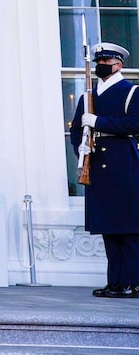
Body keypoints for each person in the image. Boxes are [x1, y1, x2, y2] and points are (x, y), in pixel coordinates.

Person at [70, 42, 139, 299]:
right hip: (98, 165)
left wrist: (99, 121)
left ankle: (131, 282)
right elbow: (77, 128)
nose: (100, 66)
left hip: (124, 165)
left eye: (105, 62)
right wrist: (82, 148)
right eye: (98, 62)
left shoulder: (131, 92)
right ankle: (115, 282)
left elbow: (134, 122)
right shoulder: (88, 95)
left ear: (118, 64)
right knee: (110, 229)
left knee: (129, 229)